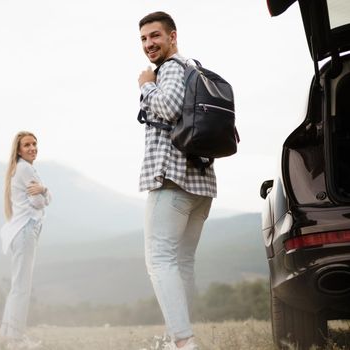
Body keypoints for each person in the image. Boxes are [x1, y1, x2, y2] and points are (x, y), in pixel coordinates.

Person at [137, 11, 216, 350]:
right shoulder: (193, 68)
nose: (148, 44)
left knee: (160, 261)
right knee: (182, 263)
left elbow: (168, 107)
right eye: (143, 39)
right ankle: (179, 335)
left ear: (172, 36)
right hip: (200, 186)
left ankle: (183, 341)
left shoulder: (169, 68)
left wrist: (145, 85)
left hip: (172, 182)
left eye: (154, 36)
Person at [0, 131, 51, 349]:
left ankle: (7, 335)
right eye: (27, 145)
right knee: (22, 287)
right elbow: (40, 203)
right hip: (26, 229)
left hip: (21, 231)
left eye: (35, 144)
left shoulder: (19, 168)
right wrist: (46, 191)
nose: (32, 148)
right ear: (18, 150)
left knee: (18, 285)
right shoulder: (26, 168)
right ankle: (16, 341)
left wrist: (44, 190)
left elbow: (42, 197)